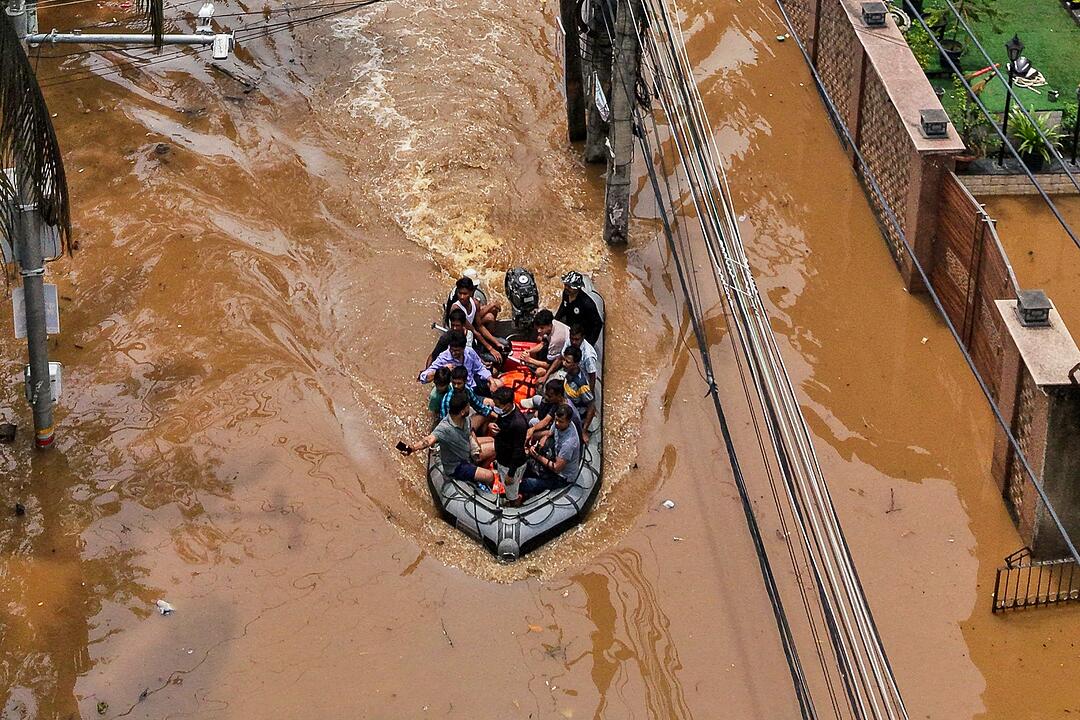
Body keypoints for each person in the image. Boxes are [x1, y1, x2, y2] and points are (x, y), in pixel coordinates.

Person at [401, 393, 497, 484]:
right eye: (468, 406)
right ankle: (480, 482)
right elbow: (428, 440)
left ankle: (478, 468)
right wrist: (412, 448)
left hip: (466, 450)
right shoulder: (444, 428)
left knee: (493, 442)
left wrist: (475, 448)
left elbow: (469, 433)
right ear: (462, 411)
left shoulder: (465, 419)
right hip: (457, 466)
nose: (469, 407)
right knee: (489, 476)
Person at [521, 404, 581, 497]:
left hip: (562, 476)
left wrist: (536, 456)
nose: (557, 423)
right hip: (555, 458)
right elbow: (550, 432)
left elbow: (557, 468)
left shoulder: (569, 444)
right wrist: (544, 437)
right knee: (525, 462)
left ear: (568, 421)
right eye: (556, 420)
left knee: (527, 483)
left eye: (560, 421)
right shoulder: (558, 424)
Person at [445, 276, 505, 364]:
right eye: (460, 293)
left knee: (504, 346)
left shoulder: (475, 303)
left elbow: (479, 326)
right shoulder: (456, 308)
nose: (461, 297)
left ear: (471, 292)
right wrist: (490, 348)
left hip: (472, 337)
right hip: (462, 343)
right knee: (494, 361)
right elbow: (474, 331)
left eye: (465, 294)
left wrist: (496, 343)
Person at [419, 330, 499, 396]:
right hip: (455, 393)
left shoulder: (470, 352)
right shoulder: (443, 357)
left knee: (498, 384)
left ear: (464, 348)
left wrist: (491, 381)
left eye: (457, 351)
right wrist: (443, 369)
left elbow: (480, 368)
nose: (453, 353)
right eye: (452, 350)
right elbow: (423, 377)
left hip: (472, 387)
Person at [489, 387, 528, 506]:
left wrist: (511, 474)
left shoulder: (518, 424)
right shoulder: (505, 413)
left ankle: (515, 505)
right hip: (502, 457)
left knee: (512, 494)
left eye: (498, 405)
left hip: (511, 464)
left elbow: (518, 450)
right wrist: (493, 426)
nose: (495, 407)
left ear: (507, 405)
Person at [560, 344, 596, 443]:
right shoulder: (568, 372)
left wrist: (583, 431)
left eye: (567, 362)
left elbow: (591, 407)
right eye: (564, 360)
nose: (563, 363)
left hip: (575, 414)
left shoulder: (582, 385)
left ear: (576, 364)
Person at [556, 271, 603, 346]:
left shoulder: (587, 304)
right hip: (570, 325)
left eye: (569, 287)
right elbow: (562, 308)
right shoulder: (566, 293)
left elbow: (598, 324)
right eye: (566, 285)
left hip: (582, 332)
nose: (566, 288)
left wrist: (590, 343)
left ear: (577, 288)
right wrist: (555, 322)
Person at [441, 365, 495, 430]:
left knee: (486, 414)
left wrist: (494, 415)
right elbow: (445, 422)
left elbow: (477, 405)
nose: (456, 386)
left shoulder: (467, 390)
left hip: (463, 421)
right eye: (454, 383)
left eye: (459, 383)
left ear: (465, 381)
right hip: (453, 430)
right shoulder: (447, 399)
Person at [544, 323, 598, 388]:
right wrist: (546, 376)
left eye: (577, 339)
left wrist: (590, 393)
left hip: (581, 382)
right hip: (569, 372)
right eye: (572, 339)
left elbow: (592, 375)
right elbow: (560, 358)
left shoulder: (588, 355)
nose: (573, 342)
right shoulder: (569, 341)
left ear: (583, 337)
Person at [521, 309, 569, 379]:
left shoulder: (555, 340)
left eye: (542, 328)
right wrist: (529, 351)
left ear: (549, 325)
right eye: (538, 327)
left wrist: (529, 360)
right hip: (557, 349)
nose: (538, 330)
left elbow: (549, 365)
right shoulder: (551, 323)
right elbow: (543, 343)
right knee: (539, 338)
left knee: (539, 371)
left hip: (564, 358)